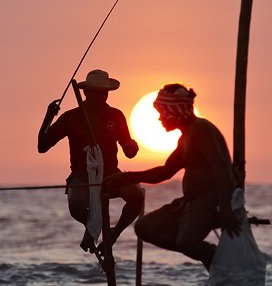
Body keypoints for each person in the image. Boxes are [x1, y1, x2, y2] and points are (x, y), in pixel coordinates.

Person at [105, 83, 241, 270]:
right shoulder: (185, 137)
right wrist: (126, 177)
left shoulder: (200, 130)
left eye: (162, 112)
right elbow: (165, 172)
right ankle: (205, 254)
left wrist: (226, 209)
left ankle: (218, 259)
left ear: (174, 110)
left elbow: (221, 168)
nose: (160, 118)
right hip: (190, 202)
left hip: (208, 201)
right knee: (145, 227)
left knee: (187, 243)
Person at [38, 69, 144, 250]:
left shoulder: (116, 116)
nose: (101, 96)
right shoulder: (70, 117)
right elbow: (42, 146)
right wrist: (48, 117)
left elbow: (129, 151)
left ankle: (114, 233)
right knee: (76, 203)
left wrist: (133, 147)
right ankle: (91, 227)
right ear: (86, 92)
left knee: (137, 195)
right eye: (96, 92)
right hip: (81, 175)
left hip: (110, 174)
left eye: (104, 93)